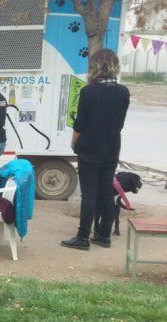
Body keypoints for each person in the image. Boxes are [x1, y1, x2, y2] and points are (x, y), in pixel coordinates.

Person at [61, 49, 130, 251]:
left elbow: (80, 124)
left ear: (95, 67)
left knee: (89, 194)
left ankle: (83, 237)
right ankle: (103, 235)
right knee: (106, 193)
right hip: (112, 147)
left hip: (90, 147)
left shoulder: (88, 91)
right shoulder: (123, 92)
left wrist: (74, 143)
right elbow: (120, 123)